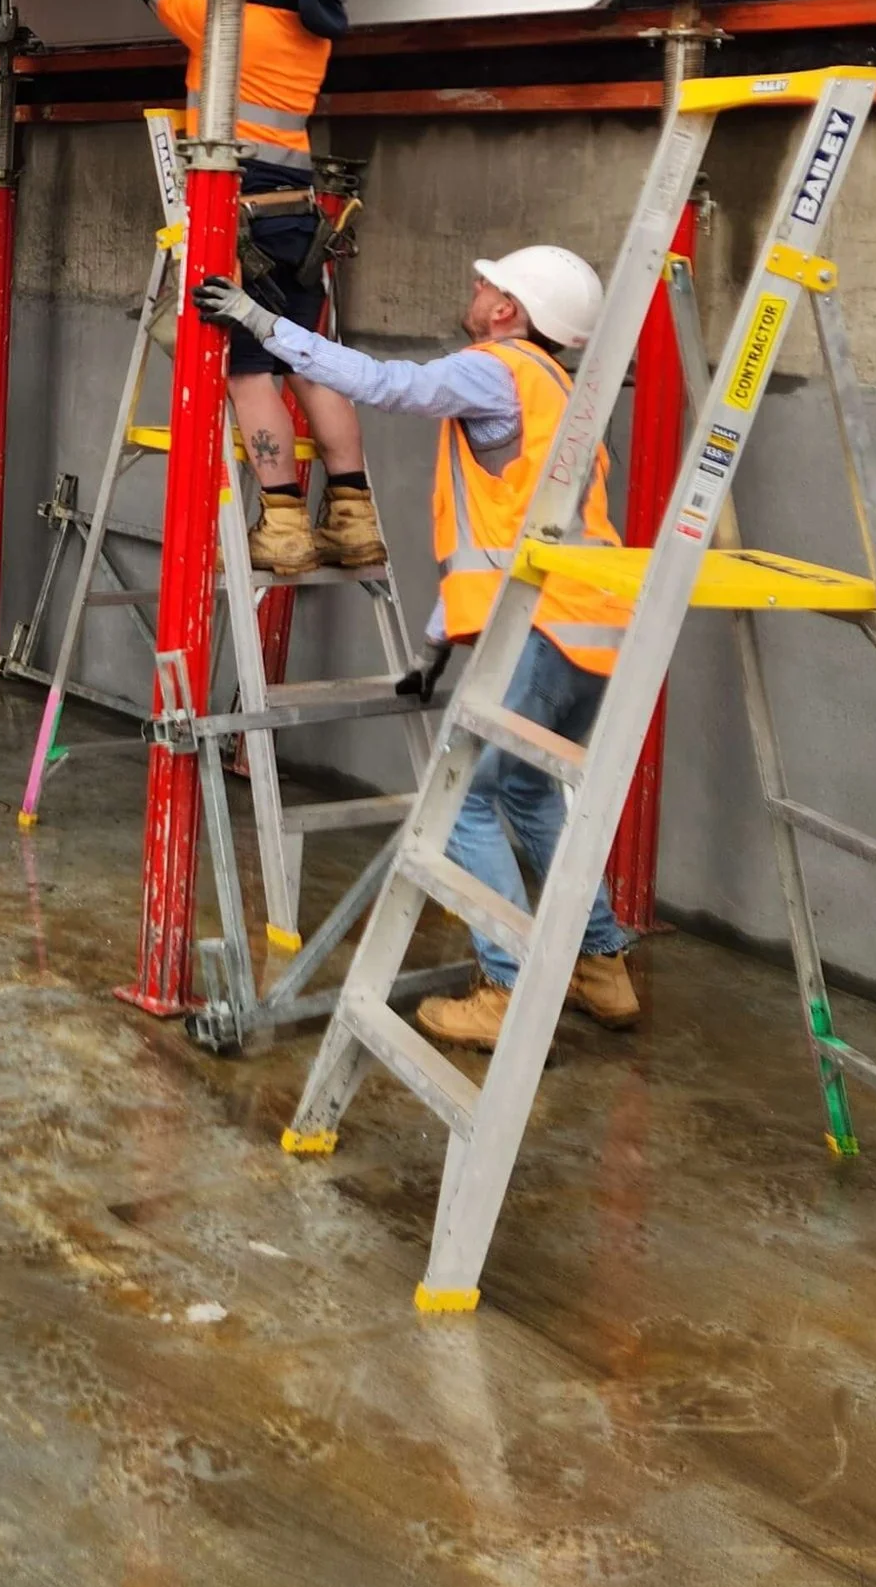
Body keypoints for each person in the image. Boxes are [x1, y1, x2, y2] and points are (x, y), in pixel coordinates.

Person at [195, 238, 642, 1049]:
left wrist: (264, 323)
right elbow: (505, 532)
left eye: (487, 284)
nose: (474, 289)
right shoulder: (559, 388)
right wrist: (433, 649)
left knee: (466, 798)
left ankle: (508, 987)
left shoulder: (495, 368)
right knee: (532, 794)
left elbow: (383, 383)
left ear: (509, 312)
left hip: (545, 624)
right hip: (595, 626)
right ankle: (602, 964)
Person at [135, 0, 383, 579]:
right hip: (299, 221)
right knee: (306, 361)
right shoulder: (311, 38)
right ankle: (352, 515)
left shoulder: (223, 22)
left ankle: (282, 521)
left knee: (248, 373)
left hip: (239, 224)